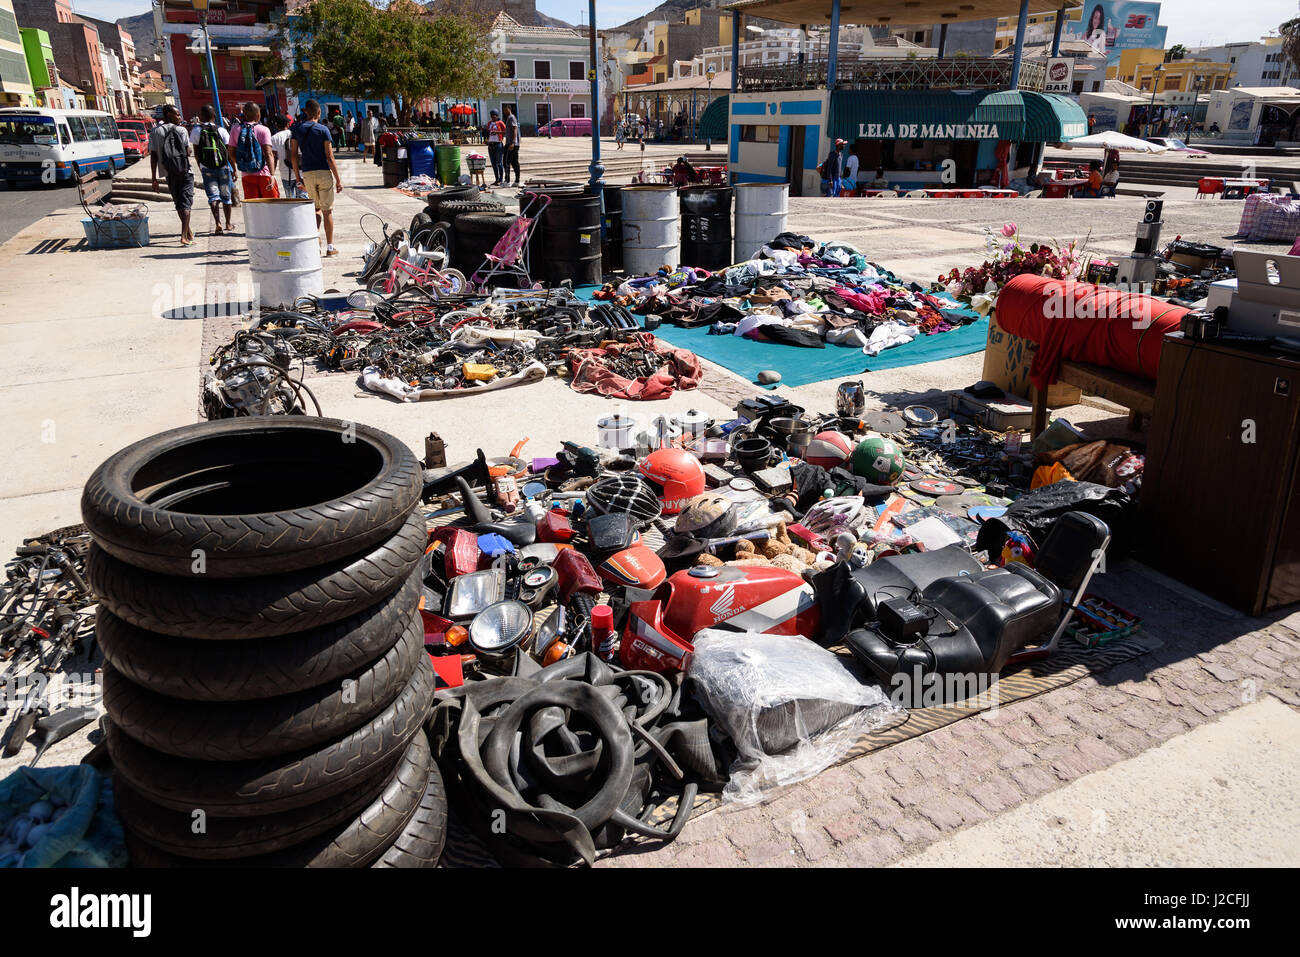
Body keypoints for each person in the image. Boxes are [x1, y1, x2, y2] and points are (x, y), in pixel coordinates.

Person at [291, 99, 344, 256]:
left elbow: (293, 155)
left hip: (307, 173)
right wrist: (338, 180)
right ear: (319, 112)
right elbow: (329, 156)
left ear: (306, 112)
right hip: (323, 173)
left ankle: (315, 238)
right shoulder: (323, 130)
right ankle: (329, 247)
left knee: (315, 208)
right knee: (327, 211)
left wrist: (297, 177)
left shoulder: (297, 129)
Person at [149, 104, 195, 245]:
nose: (180, 117)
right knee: (186, 204)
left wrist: (154, 178)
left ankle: (188, 231)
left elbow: (153, 157)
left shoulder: (155, 133)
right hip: (185, 171)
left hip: (168, 173)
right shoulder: (181, 130)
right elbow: (188, 152)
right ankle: (184, 236)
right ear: (168, 114)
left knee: (178, 203)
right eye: (177, 114)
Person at [191, 104, 233, 235]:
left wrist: (200, 165)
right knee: (226, 196)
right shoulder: (221, 130)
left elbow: (196, 151)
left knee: (213, 197)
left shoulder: (197, 130)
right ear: (214, 116)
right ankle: (228, 223)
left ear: (201, 116)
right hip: (223, 167)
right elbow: (228, 152)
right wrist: (234, 169)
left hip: (206, 168)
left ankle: (217, 223)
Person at [228, 103, 278, 199]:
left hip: (247, 176)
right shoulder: (264, 129)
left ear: (244, 114)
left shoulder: (235, 129)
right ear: (258, 115)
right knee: (272, 206)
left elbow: (230, 152)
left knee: (253, 207)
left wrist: (242, 164)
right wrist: (272, 175)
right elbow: (268, 153)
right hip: (265, 173)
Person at [271, 117, 302, 199]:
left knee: (290, 198)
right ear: (288, 124)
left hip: (285, 173)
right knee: (302, 198)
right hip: (300, 171)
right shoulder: (294, 134)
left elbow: (273, 157)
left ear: (277, 126)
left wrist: (272, 174)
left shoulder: (274, 138)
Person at [486, 109, 506, 186]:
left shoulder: (500, 123)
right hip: (490, 145)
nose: (492, 118)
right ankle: (496, 179)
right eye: (491, 116)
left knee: (499, 163)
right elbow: (488, 132)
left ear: (497, 116)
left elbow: (506, 131)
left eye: (494, 116)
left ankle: (501, 179)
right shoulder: (489, 123)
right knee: (493, 163)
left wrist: (497, 132)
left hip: (498, 144)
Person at [503, 104, 521, 187]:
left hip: (512, 144)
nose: (505, 111)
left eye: (506, 109)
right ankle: (516, 181)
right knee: (513, 162)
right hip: (509, 143)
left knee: (507, 162)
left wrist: (513, 142)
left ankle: (507, 181)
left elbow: (515, 129)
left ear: (509, 109)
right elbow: (509, 132)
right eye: (504, 110)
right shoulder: (508, 118)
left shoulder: (511, 117)